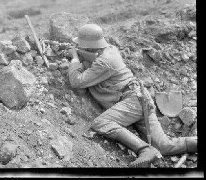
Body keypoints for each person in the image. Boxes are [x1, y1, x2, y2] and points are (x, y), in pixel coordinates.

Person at [67, 23, 197, 167]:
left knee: (101, 123)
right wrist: (81, 55)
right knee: (164, 146)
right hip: (140, 98)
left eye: (82, 46)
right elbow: (93, 61)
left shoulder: (105, 62)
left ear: (89, 46)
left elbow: (77, 81)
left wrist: (74, 58)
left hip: (133, 100)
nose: (80, 48)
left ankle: (145, 150)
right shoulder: (110, 49)